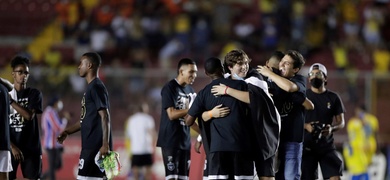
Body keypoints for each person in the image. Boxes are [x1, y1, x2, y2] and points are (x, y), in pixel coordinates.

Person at [185, 57, 254, 179]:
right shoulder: (241, 85)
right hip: (241, 145)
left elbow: (188, 121)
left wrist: (208, 115)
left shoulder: (203, 93)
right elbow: (254, 107)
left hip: (218, 148)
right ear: (223, 68)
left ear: (206, 73)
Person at [57, 52, 113, 179]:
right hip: (89, 146)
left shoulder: (96, 87)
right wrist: (67, 132)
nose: (78, 67)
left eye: (81, 63)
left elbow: (105, 115)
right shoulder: (90, 88)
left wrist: (105, 144)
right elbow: (85, 120)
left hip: (95, 148)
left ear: (89, 65)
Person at [257, 50, 307, 180]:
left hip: (292, 139)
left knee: (291, 177)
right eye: (282, 62)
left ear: (295, 69)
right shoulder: (270, 81)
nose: (282, 65)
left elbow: (289, 87)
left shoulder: (300, 80)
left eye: (287, 63)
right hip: (273, 140)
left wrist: (268, 73)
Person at [156, 58, 199, 180]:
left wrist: (204, 135)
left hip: (185, 141)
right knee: (172, 177)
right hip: (170, 140)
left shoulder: (191, 91)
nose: (194, 75)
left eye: (195, 72)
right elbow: (171, 114)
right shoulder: (170, 88)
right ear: (181, 71)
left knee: (183, 178)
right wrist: (194, 108)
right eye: (191, 72)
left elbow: (189, 119)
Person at [301, 63, 345, 180]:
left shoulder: (333, 97)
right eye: (312, 74)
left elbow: (341, 122)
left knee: (335, 177)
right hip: (307, 146)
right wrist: (306, 126)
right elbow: (293, 120)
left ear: (325, 77)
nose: (315, 76)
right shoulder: (303, 96)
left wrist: (332, 129)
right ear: (309, 78)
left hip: (326, 145)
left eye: (318, 74)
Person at [8, 56, 43, 179]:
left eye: (26, 72)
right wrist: (12, 147)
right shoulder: (5, 95)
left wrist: (11, 102)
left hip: (31, 150)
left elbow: (29, 116)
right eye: (20, 72)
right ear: (13, 74)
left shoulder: (34, 94)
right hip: (10, 149)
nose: (23, 75)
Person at [126, 102, 157, 180]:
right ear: (144, 109)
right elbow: (152, 133)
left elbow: (128, 137)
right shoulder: (148, 118)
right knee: (148, 169)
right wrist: (154, 147)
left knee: (135, 169)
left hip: (135, 149)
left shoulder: (131, 119)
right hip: (146, 148)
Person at [41, 95, 69, 180]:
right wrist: (65, 119)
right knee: (53, 167)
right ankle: (43, 177)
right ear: (54, 103)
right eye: (58, 102)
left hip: (55, 144)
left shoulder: (52, 112)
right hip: (50, 144)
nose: (60, 104)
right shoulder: (49, 112)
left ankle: (42, 177)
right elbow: (58, 128)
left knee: (58, 165)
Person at [343, 107, 370, 180]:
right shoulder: (354, 122)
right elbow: (361, 125)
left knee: (364, 170)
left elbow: (367, 132)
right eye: (360, 112)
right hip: (354, 151)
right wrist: (363, 121)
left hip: (360, 151)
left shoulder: (360, 124)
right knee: (356, 171)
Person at [0, 78, 13, 179]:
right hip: (4, 140)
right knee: (4, 174)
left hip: (4, 140)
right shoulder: (5, 89)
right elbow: (12, 87)